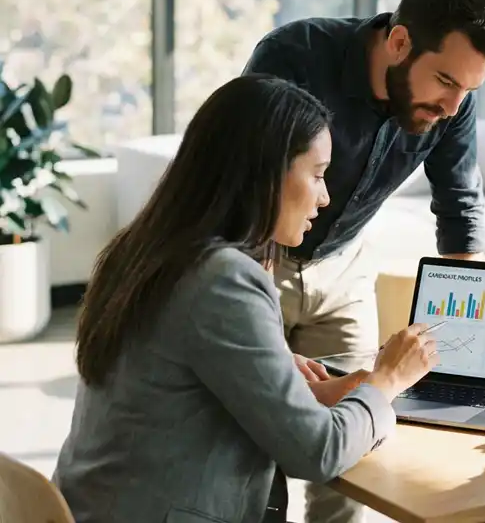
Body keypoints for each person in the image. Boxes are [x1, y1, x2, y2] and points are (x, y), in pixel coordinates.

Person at [54, 75, 439, 523]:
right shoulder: (222, 279)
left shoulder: (142, 250)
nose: (325, 197)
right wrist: (388, 380)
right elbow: (317, 452)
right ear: (266, 172)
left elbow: (191, 393)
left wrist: (323, 392)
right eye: (316, 175)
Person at [243, 0, 485, 522]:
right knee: (257, 436)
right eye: (444, 81)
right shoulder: (295, 56)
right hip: (257, 260)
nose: (454, 104)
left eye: (468, 90)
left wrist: (470, 353)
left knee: (353, 446)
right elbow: (250, 188)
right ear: (399, 42)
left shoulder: (453, 101)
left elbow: (459, 209)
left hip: (342, 266)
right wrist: (256, 318)